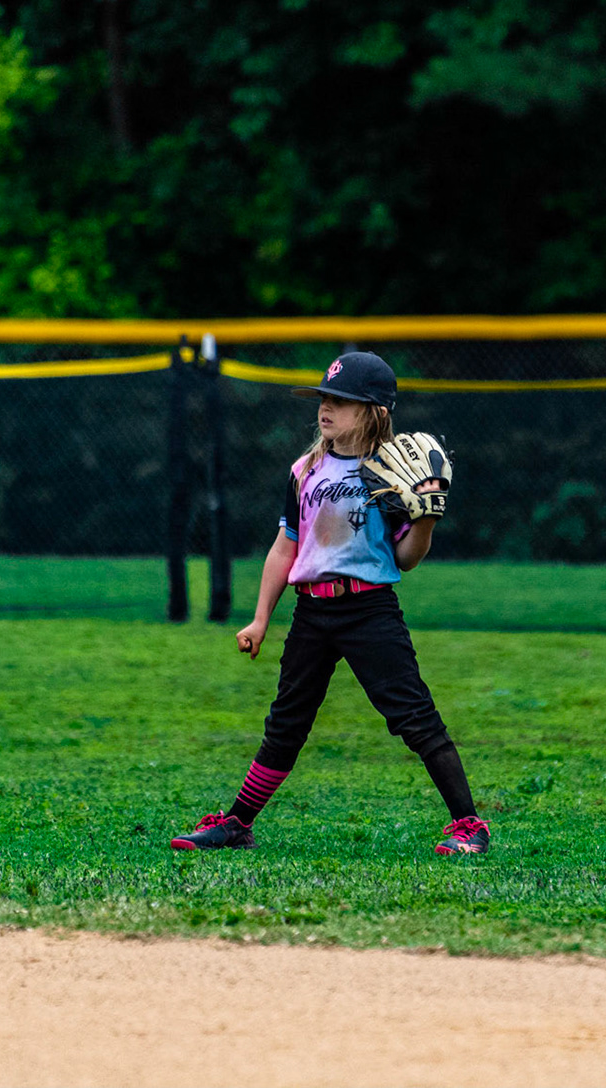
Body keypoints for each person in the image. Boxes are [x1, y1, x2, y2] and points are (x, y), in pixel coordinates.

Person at [170, 350, 488, 855]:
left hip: (369, 610)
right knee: (286, 722)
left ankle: (470, 825)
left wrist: (424, 518)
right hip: (312, 612)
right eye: (324, 398)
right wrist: (259, 619)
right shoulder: (305, 469)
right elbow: (284, 549)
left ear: (374, 412)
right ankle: (238, 823)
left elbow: (406, 558)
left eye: (341, 401)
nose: (326, 408)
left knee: (413, 715)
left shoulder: (390, 474)